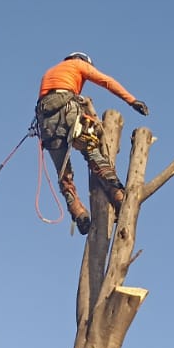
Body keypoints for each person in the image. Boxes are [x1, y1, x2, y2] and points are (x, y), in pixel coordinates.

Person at [36, 52, 149, 235]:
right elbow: (106, 81)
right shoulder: (78, 65)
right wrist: (132, 100)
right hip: (67, 110)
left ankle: (78, 212)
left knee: (63, 173)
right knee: (92, 152)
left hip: (46, 120)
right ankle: (118, 195)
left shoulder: (49, 72)